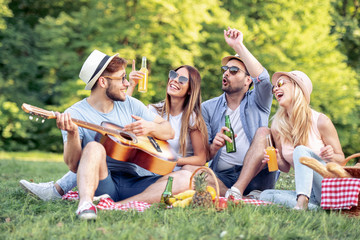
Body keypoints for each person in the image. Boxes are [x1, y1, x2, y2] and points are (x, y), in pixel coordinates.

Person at [22, 49, 194, 220]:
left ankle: (117, 207)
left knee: (186, 178)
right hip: (104, 184)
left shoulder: (131, 104)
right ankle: (86, 204)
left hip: (136, 183)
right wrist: (73, 134)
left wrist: (149, 127)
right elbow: (73, 165)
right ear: (103, 82)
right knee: (93, 147)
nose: (127, 84)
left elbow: (169, 131)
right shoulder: (75, 114)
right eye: (122, 78)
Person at [184, 27, 276, 199]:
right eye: (225, 69)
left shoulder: (259, 101)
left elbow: (263, 79)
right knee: (190, 171)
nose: (226, 73)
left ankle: (238, 191)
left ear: (248, 80)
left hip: (257, 176)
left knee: (264, 132)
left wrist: (238, 46)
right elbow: (203, 154)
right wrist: (214, 146)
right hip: (223, 177)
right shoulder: (208, 108)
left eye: (234, 71)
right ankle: (235, 196)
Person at [115, 65, 209, 204]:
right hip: (146, 173)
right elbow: (121, 119)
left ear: (190, 90)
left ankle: (122, 205)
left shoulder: (192, 119)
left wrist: (170, 160)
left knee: (186, 178)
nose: (175, 80)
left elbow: (201, 158)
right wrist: (131, 86)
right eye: (173, 75)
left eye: (182, 79)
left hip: (175, 176)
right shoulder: (152, 110)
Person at [259, 71, 345, 210]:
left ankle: (302, 204)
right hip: (309, 192)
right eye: (274, 86)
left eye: (280, 83)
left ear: (297, 87)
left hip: (329, 187)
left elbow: (341, 159)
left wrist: (331, 155)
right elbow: (285, 168)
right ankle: (315, 207)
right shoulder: (277, 126)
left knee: (301, 150)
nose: (275, 89)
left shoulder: (320, 121)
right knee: (265, 195)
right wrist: (277, 158)